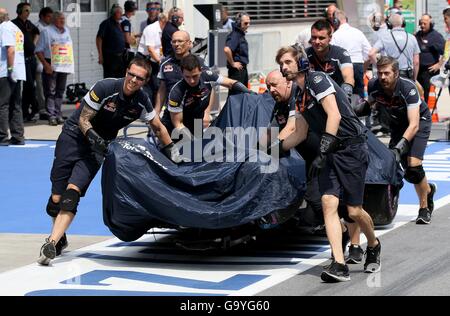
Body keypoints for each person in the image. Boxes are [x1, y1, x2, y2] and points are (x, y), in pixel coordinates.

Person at [37, 58, 183, 266]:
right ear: (126, 72)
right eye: (131, 74)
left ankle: (51, 244)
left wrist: (172, 152)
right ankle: (60, 237)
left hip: (97, 150)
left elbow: (158, 127)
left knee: (71, 195)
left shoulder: (142, 100)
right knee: (57, 198)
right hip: (73, 137)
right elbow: (83, 119)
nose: (133, 80)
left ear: (145, 80)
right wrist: (95, 138)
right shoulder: (105, 87)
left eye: (139, 78)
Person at [274, 45, 381, 282]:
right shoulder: (297, 94)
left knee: (353, 211)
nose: (283, 67)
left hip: (351, 147)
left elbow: (335, 115)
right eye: (281, 64)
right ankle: (339, 264)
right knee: (328, 202)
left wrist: (322, 151)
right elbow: (299, 130)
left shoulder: (317, 79)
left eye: (288, 62)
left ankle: (373, 244)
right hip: (331, 150)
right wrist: (275, 149)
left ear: (301, 63)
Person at [366, 56, 436, 225]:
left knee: (414, 166)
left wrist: (399, 147)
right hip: (397, 124)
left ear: (396, 73)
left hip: (418, 122)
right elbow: (370, 104)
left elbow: (413, 125)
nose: (382, 77)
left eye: (387, 73)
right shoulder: (374, 85)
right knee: (406, 170)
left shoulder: (407, 88)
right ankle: (428, 190)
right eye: (380, 73)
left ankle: (424, 208)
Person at [164, 54, 253, 136]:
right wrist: (192, 140)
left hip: (197, 120)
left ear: (200, 70)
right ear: (182, 73)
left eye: (195, 76)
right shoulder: (177, 92)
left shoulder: (207, 76)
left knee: (199, 149)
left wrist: (250, 92)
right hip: (176, 129)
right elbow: (178, 124)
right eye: (187, 77)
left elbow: (230, 83)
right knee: (189, 148)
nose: (191, 81)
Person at [35, 11, 74, 126]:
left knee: (60, 91)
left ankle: (58, 114)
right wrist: (46, 65)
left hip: (63, 64)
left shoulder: (67, 30)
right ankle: (51, 115)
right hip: (50, 63)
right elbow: (38, 50)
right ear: (54, 20)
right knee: (50, 91)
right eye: (60, 19)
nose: (63, 21)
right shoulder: (46, 31)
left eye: (64, 19)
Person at [156, 31, 208, 115]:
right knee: (165, 128)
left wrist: (207, 113)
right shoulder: (164, 63)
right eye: (174, 41)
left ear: (189, 43)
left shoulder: (199, 62)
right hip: (172, 114)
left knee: (197, 128)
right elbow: (162, 89)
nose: (176, 44)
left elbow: (210, 87)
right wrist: (157, 112)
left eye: (180, 41)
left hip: (196, 115)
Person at [307, 19, 355, 103]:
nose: (317, 42)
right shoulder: (305, 55)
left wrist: (345, 97)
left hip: (338, 97)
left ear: (330, 38)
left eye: (321, 38)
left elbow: (349, 78)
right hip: (314, 100)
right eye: (314, 37)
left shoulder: (340, 53)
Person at [331, 10, 371, 101]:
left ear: (335, 21)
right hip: (358, 66)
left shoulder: (335, 35)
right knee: (359, 97)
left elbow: (332, 54)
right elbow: (369, 52)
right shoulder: (358, 32)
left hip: (343, 68)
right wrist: (362, 66)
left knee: (344, 96)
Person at [0, 7, 26, 146]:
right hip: (19, 70)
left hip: (7, 71)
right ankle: (17, 136)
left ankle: (2, 136)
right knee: (15, 105)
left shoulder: (4, 28)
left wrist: (9, 69)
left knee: (2, 104)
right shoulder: (16, 28)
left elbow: (10, 50)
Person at [369, 13, 420, 81]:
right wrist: (414, 79)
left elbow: (371, 54)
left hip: (391, 75)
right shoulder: (412, 38)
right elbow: (416, 62)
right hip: (407, 74)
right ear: (403, 23)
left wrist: (381, 68)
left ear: (389, 24)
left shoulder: (385, 37)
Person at [12, 2, 40, 123]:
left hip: (31, 59)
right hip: (21, 59)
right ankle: (31, 109)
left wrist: (33, 43)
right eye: (26, 11)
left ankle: (28, 111)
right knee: (28, 86)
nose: (28, 13)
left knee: (31, 86)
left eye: (29, 11)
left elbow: (37, 32)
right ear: (19, 12)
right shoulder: (14, 24)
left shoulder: (29, 24)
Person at [415, 14, 445, 103]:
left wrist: (439, 65)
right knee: (418, 94)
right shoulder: (418, 35)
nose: (422, 26)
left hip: (429, 72)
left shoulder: (436, 36)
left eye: (425, 24)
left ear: (431, 24)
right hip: (418, 70)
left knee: (427, 95)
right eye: (421, 23)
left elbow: (446, 52)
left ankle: (428, 114)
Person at [138, 13, 167, 104]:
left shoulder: (162, 30)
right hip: (144, 59)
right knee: (147, 85)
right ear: (163, 21)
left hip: (154, 59)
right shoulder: (151, 29)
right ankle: (148, 108)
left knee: (156, 85)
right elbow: (150, 49)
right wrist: (160, 62)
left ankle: (155, 108)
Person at [96, 4, 126, 79]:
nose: (121, 14)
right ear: (114, 13)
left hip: (120, 57)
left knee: (120, 78)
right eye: (119, 12)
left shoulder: (119, 24)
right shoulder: (106, 23)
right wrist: (100, 55)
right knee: (110, 78)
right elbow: (99, 38)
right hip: (110, 57)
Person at [224, 12, 250, 96]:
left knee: (242, 94)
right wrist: (232, 63)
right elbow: (227, 49)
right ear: (239, 23)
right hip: (237, 72)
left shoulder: (240, 35)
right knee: (236, 96)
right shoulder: (235, 35)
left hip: (242, 70)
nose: (248, 25)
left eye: (249, 23)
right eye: (246, 23)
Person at [35, 7, 53, 121]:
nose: (50, 19)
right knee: (40, 87)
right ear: (42, 16)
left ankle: (48, 108)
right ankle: (42, 109)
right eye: (48, 17)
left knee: (48, 87)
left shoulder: (49, 28)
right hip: (40, 60)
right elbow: (36, 46)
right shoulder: (38, 27)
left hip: (49, 60)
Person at [121, 0, 138, 65]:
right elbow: (127, 39)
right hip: (127, 52)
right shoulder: (126, 22)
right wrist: (135, 42)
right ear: (132, 10)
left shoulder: (121, 18)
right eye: (135, 9)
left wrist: (136, 35)